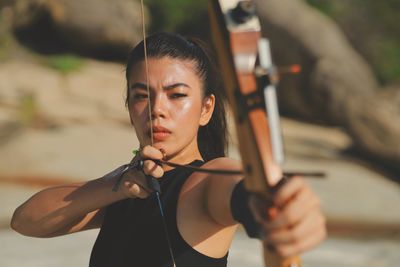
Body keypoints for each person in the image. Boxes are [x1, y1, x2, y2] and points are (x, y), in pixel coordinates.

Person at [11, 32, 326, 267]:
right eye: (141, 95)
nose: (156, 109)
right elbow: (25, 221)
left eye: (176, 95)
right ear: (129, 106)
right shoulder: (126, 188)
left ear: (206, 109)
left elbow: (243, 189)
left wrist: (278, 201)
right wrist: (116, 187)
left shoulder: (205, 182)